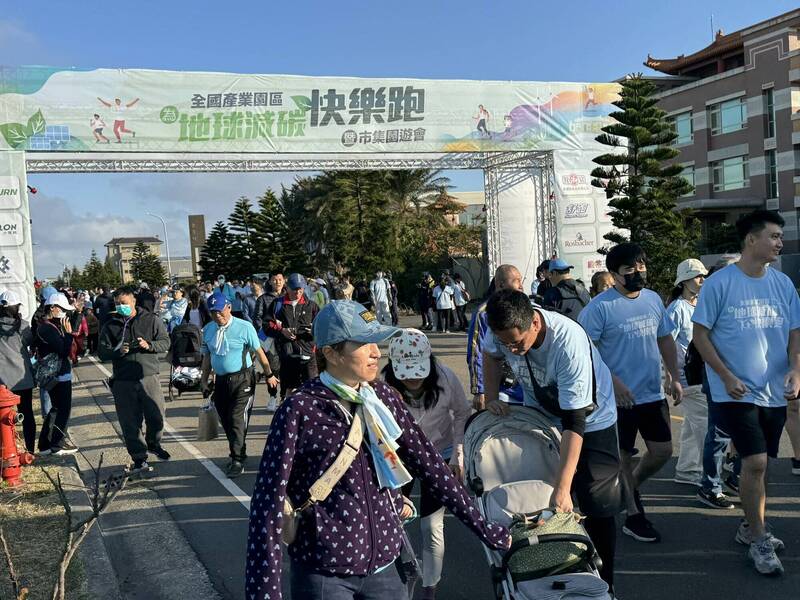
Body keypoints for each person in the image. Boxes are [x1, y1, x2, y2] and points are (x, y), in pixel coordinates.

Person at [245, 300, 511, 600]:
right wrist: (264, 592)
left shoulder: (382, 396)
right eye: (364, 343)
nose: (376, 352)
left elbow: (429, 465)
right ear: (331, 353)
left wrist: (485, 529)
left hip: (387, 568)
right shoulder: (299, 410)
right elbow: (268, 505)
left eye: (376, 342)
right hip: (324, 574)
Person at [483, 289, 622, 592]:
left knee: (595, 502)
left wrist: (563, 487)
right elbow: (490, 356)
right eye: (505, 342)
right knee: (540, 501)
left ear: (534, 322)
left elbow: (575, 421)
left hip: (591, 419)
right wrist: (490, 398)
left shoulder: (567, 342)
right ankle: (546, 575)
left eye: (517, 342)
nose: (512, 349)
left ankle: (604, 583)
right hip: (542, 416)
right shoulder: (500, 331)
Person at [692, 210, 800, 576]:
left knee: (764, 463)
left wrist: (797, 369)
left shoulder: (783, 284)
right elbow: (700, 336)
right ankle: (758, 537)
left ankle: (752, 524)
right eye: (773, 236)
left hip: (775, 390)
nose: (779, 242)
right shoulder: (721, 283)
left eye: (780, 237)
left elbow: (795, 332)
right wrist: (724, 375)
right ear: (751, 240)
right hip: (735, 393)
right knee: (754, 462)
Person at [578, 243, 682, 544]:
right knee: (622, 456)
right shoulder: (598, 308)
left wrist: (674, 376)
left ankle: (626, 487)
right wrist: (615, 384)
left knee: (662, 452)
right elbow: (588, 354)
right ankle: (634, 515)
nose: (638, 272)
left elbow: (665, 339)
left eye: (641, 266)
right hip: (617, 400)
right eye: (630, 269)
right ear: (614, 274)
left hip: (651, 394)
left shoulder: (652, 299)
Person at [382, 329, 472, 600]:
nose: (411, 378)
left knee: (431, 526)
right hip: (400, 456)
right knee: (393, 520)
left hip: (439, 453)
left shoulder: (445, 377)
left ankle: (429, 588)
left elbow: (462, 412)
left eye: (417, 370)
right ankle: (400, 574)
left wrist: (458, 452)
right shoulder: (383, 382)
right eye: (405, 372)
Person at [199, 292, 278, 478]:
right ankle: (238, 449)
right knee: (225, 419)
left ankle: (237, 458)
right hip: (220, 381)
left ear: (228, 308)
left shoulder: (244, 327)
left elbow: (259, 352)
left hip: (243, 379)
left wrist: (269, 375)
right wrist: (204, 380)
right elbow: (207, 356)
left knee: (236, 418)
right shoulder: (209, 329)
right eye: (212, 313)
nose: (217, 316)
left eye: (219, 311)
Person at [98, 286, 172, 472]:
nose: (120, 307)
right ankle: (139, 457)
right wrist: (117, 351)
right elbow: (102, 352)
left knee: (157, 417)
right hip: (123, 380)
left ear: (133, 302)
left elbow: (165, 342)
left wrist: (149, 345)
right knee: (130, 421)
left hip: (148, 376)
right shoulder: (111, 324)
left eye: (123, 303)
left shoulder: (151, 320)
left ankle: (153, 443)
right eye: (117, 304)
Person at [666, 259, 709, 486]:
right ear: (684, 280)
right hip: (686, 377)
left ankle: (687, 470)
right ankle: (711, 474)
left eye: (703, 275)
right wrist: (670, 377)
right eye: (696, 276)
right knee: (705, 425)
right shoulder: (676, 309)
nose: (702, 279)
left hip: (702, 374)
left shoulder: (701, 303)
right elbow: (665, 344)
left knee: (694, 426)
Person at [467, 264, 524, 410]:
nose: (521, 285)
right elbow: (476, 352)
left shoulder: (526, 307)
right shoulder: (483, 313)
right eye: (516, 280)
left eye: (521, 280)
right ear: (500, 284)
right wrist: (480, 390)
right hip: (501, 389)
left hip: (525, 388)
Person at [264, 273, 319, 400]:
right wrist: (282, 331)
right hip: (287, 355)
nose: (298, 292)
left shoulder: (312, 305)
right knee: (289, 390)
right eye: (295, 289)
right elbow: (267, 325)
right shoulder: (277, 304)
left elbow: (323, 326)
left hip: (309, 355)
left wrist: (314, 331)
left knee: (312, 390)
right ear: (287, 287)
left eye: (301, 288)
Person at [35, 293, 78, 455]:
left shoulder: (48, 326)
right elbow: (62, 350)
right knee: (62, 410)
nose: (64, 313)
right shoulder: (47, 328)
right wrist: (67, 334)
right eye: (61, 309)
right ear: (52, 308)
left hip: (57, 374)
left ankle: (45, 444)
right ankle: (57, 443)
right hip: (58, 375)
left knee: (56, 409)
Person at [0, 290, 36, 453]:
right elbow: (30, 341)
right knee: (27, 413)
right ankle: (29, 449)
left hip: (2, 379)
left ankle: (6, 449)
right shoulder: (23, 325)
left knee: (3, 416)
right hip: (22, 376)